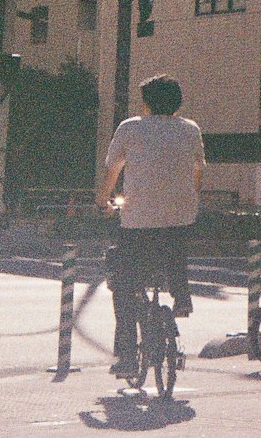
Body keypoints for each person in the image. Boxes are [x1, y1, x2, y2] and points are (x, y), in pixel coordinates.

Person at [96, 74, 204, 378]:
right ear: (177, 103)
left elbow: (113, 170)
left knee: (124, 285)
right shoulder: (190, 129)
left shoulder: (130, 128)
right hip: (181, 218)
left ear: (146, 103)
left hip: (138, 221)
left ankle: (128, 356)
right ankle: (181, 295)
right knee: (175, 243)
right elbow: (198, 170)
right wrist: (191, 199)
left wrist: (103, 202)